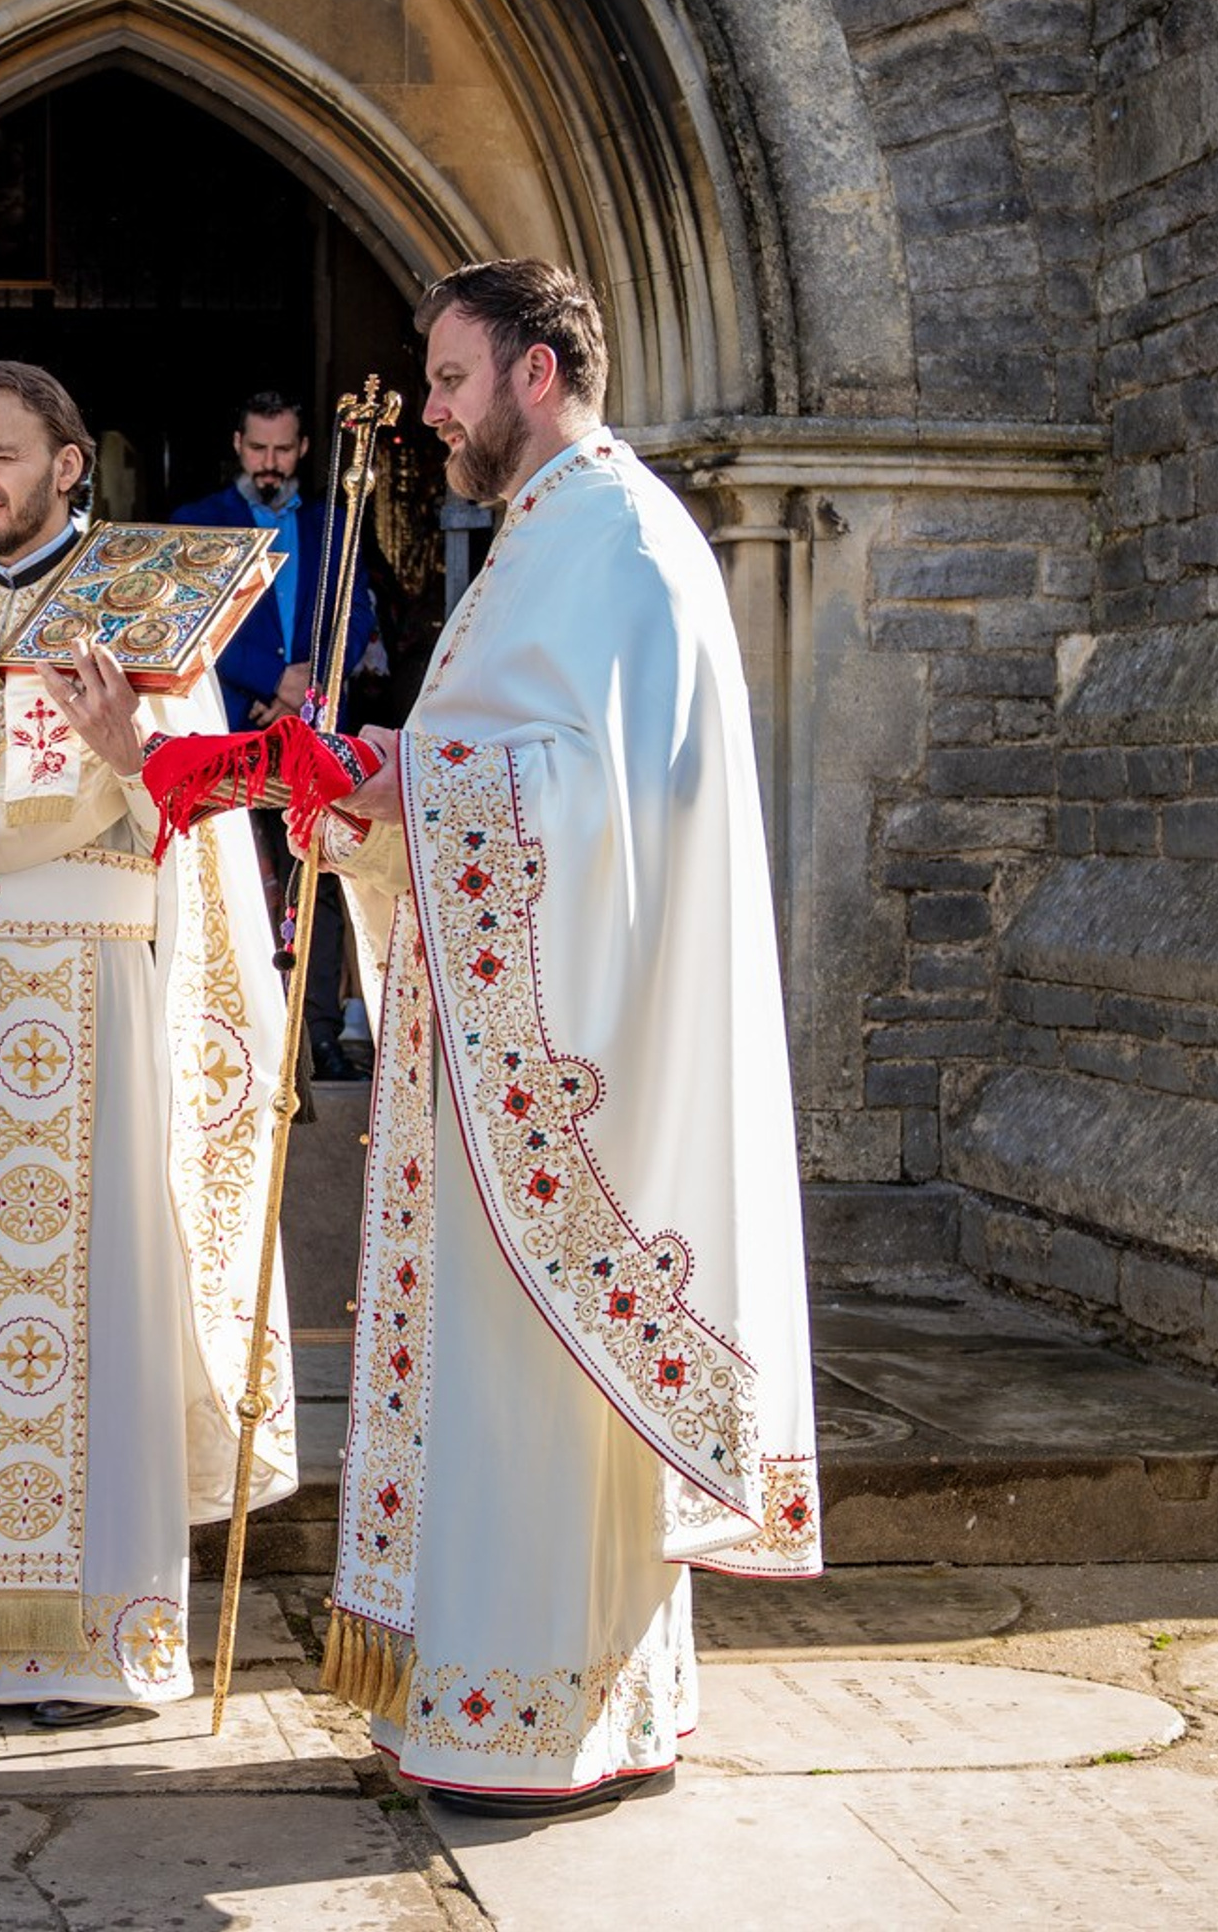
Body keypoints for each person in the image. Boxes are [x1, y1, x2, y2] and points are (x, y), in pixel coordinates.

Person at [306, 259, 821, 1815]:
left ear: (537, 373)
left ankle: (533, 1720)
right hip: (490, 1049)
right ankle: (513, 1702)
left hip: (568, 1069)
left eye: (452, 378)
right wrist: (388, 784)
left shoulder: (621, 538)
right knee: (493, 1389)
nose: (432, 411)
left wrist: (417, 786)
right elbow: (516, 763)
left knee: (531, 1390)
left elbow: (625, 815)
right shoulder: (546, 536)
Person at [0, 360, 297, 1723]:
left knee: (86, 1320)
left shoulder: (148, 604)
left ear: (67, 463)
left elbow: (200, 813)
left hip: (84, 1008)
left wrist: (137, 739)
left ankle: (85, 1636)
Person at [174, 391, 383, 1090]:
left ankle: (316, 1035)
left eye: (283, 450)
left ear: (303, 450)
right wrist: (269, 684)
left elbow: (357, 612)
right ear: (238, 445)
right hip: (234, 727)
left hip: (312, 729)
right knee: (233, 877)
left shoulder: (334, 524)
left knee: (316, 876)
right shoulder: (199, 523)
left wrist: (311, 686)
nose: (270, 463)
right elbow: (194, 620)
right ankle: (235, 1032)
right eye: (259, 449)